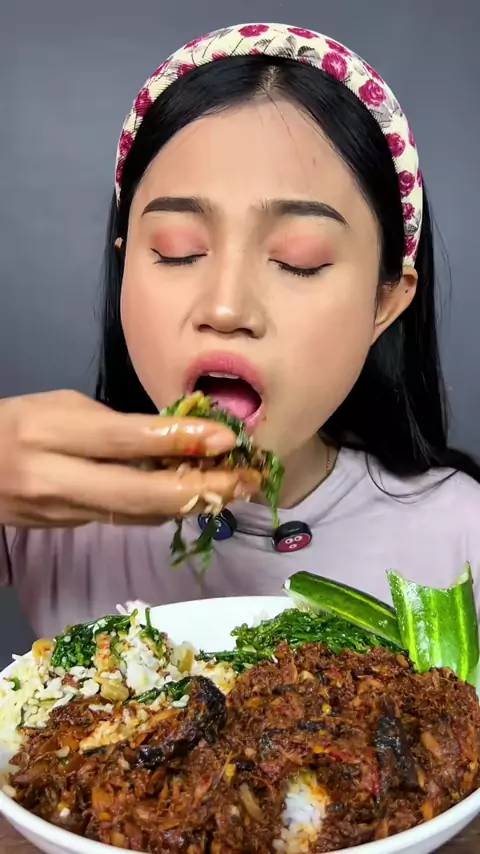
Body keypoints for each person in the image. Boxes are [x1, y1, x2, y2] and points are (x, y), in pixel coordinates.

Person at [1, 23, 479, 639]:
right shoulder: (41, 503)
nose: (226, 308)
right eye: (176, 250)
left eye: (299, 259)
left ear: (385, 301)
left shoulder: (461, 535)